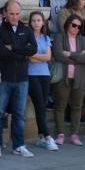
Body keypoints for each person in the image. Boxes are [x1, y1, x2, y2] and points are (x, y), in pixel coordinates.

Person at [0, 0, 37, 158]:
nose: (14, 17)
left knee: (19, 114)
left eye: (17, 14)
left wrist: (13, 48)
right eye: (11, 13)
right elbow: (0, 52)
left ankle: (18, 145)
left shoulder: (26, 29)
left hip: (22, 79)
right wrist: (21, 52)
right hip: (4, 78)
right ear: (5, 13)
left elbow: (33, 49)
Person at [51, 14, 85, 146]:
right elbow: (58, 55)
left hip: (80, 78)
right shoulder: (59, 37)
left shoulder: (83, 40)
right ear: (68, 24)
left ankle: (75, 134)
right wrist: (78, 58)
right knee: (60, 106)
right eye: (74, 25)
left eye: (79, 27)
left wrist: (70, 54)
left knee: (77, 106)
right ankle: (60, 134)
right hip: (63, 78)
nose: (76, 28)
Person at [27, 11, 58, 151]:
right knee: (39, 105)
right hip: (31, 75)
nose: (36, 23)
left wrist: (34, 55)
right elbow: (30, 59)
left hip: (45, 75)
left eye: (38, 20)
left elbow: (48, 57)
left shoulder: (46, 38)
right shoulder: (27, 38)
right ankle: (47, 136)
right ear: (30, 22)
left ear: (43, 22)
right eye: (33, 20)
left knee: (42, 106)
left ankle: (41, 137)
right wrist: (39, 56)